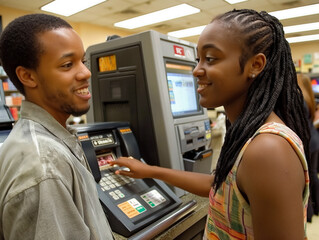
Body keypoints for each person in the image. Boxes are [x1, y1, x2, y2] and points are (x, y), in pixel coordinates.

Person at [109, 9, 311, 240]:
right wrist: (149, 171)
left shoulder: (267, 150)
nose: (197, 70)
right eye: (198, 60)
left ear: (255, 65)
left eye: (211, 59)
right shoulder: (246, 135)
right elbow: (219, 186)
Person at [0, 14, 114, 239]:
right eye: (67, 64)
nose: (86, 72)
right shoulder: (43, 166)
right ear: (27, 76)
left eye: (83, 61)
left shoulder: (55, 140)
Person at [297, 73, 319, 221]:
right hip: (315, 141)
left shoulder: (300, 99)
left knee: (309, 176)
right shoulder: (309, 98)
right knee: (313, 174)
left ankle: (311, 210)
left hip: (308, 143)